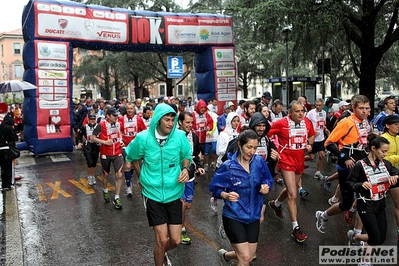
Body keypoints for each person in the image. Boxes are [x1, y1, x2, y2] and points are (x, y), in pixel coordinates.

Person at [125, 103, 192, 266]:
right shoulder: (143, 138)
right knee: (162, 239)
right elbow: (131, 155)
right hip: (152, 193)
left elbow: (186, 156)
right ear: (157, 120)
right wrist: (141, 176)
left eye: (172, 119)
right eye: (166, 120)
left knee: (175, 240)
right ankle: (159, 257)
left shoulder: (179, 137)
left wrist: (185, 169)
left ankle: (161, 253)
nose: (170, 123)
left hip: (174, 193)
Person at [209, 129, 274, 266]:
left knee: (249, 257)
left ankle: (226, 256)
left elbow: (268, 179)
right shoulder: (228, 166)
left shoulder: (259, 162)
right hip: (233, 215)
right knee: (244, 258)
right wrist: (225, 195)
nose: (252, 152)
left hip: (253, 216)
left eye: (255, 148)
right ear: (240, 144)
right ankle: (231, 255)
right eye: (249, 147)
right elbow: (214, 188)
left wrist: (266, 185)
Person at [315, 95, 371, 234]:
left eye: (367, 108)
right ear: (354, 108)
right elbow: (328, 143)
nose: (365, 111)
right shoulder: (346, 122)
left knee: (366, 197)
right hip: (347, 167)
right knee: (346, 203)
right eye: (361, 108)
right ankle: (323, 215)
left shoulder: (366, 122)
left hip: (362, 165)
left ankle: (357, 234)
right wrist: (344, 157)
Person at [267, 100, 315, 242]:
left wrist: (309, 145)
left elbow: (312, 134)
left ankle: (275, 204)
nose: (301, 113)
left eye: (302, 111)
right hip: (286, 161)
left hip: (300, 161)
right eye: (297, 111)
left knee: (291, 189)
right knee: (293, 194)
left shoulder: (306, 122)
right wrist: (274, 150)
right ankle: (296, 228)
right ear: (290, 112)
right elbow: (267, 134)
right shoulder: (281, 123)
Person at [346, 135, 398, 247]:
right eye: (383, 151)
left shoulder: (386, 164)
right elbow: (349, 183)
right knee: (374, 237)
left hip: (380, 204)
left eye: (386, 152)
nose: (385, 154)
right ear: (373, 148)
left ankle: (354, 238)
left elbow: (396, 172)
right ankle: (364, 262)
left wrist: (395, 176)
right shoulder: (360, 165)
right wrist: (361, 184)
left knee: (382, 238)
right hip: (366, 205)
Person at [178, 112, 205, 245]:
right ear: (180, 122)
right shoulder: (174, 137)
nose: (190, 125)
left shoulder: (193, 136)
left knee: (187, 205)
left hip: (190, 175)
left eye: (191, 122)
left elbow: (195, 154)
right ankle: (182, 229)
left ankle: (177, 223)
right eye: (187, 122)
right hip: (176, 176)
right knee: (181, 205)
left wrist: (199, 166)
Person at [91, 107, 124, 209]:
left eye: (117, 115)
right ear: (108, 116)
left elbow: (120, 133)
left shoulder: (119, 123)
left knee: (119, 174)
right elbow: (92, 137)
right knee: (105, 175)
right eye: (114, 115)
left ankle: (117, 197)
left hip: (117, 152)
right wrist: (104, 142)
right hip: (105, 154)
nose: (116, 117)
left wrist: (121, 140)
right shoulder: (101, 125)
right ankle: (105, 190)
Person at [119, 102, 147, 196]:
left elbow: (144, 132)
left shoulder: (138, 119)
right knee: (127, 165)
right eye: (128, 109)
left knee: (136, 167)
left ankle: (130, 179)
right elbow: (118, 131)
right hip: (125, 146)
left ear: (134, 109)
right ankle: (128, 187)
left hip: (136, 146)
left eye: (131, 108)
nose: (130, 110)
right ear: (126, 109)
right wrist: (120, 140)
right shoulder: (121, 119)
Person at [380, 115, 399, 240]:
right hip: (380, 175)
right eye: (395, 124)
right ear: (387, 125)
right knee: (368, 202)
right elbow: (381, 158)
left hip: (394, 174)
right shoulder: (382, 139)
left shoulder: (398, 138)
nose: (398, 126)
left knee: (398, 203)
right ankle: (352, 209)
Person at [305, 98, 330, 179]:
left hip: (321, 138)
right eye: (316, 105)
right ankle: (299, 160)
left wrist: (325, 129)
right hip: (313, 138)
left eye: (319, 105)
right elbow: (305, 122)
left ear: (323, 105)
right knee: (312, 157)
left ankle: (318, 172)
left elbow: (323, 123)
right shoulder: (311, 113)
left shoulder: (324, 112)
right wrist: (311, 132)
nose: (318, 107)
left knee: (322, 155)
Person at [77, 114, 100, 185]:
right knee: (89, 162)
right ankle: (90, 176)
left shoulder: (98, 126)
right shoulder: (84, 127)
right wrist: (79, 143)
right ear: (88, 120)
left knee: (94, 162)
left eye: (93, 119)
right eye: (91, 119)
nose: (92, 121)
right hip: (88, 145)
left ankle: (92, 175)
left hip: (96, 145)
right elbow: (80, 136)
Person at [192, 99, 214, 169]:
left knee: (204, 153)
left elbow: (211, 123)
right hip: (195, 139)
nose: (203, 109)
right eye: (201, 107)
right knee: (195, 153)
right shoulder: (193, 114)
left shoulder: (206, 115)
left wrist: (208, 127)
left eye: (204, 108)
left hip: (204, 139)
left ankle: (203, 165)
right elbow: (190, 124)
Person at [0, 113, 19, 191]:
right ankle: (9, 184)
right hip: (7, 149)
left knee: (3, 168)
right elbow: (14, 138)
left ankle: (4, 184)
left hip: (0, 149)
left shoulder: (0, 127)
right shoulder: (9, 128)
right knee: (9, 168)